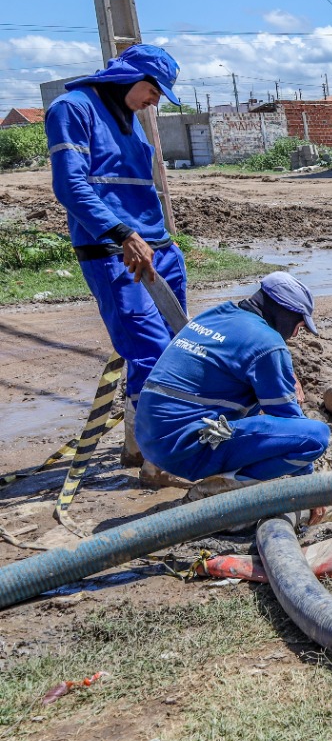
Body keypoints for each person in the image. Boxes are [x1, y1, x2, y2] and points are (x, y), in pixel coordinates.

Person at [45, 45, 186, 477]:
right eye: (153, 90)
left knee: (176, 349)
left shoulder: (131, 116)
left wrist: (164, 244)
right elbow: (70, 186)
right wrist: (123, 234)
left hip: (158, 247)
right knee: (149, 351)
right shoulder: (73, 108)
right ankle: (157, 460)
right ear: (130, 77)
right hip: (115, 251)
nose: (155, 101)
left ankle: (138, 444)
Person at [135, 272, 330, 494]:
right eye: (299, 326)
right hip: (182, 447)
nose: (294, 334)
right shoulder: (267, 342)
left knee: (248, 395)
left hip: (149, 437)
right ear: (286, 314)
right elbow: (291, 422)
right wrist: (310, 487)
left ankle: (163, 469)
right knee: (315, 436)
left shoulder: (215, 315)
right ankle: (215, 490)